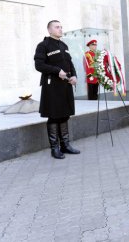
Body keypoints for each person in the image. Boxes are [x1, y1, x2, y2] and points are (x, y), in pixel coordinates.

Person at [34, 20, 80, 159]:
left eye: (61, 27)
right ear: (49, 30)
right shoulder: (43, 45)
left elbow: (69, 63)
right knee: (53, 116)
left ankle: (65, 145)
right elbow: (39, 65)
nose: (60, 29)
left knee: (64, 114)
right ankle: (55, 148)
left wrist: (74, 76)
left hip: (65, 85)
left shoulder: (64, 45)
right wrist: (56, 71)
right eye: (57, 27)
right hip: (51, 85)